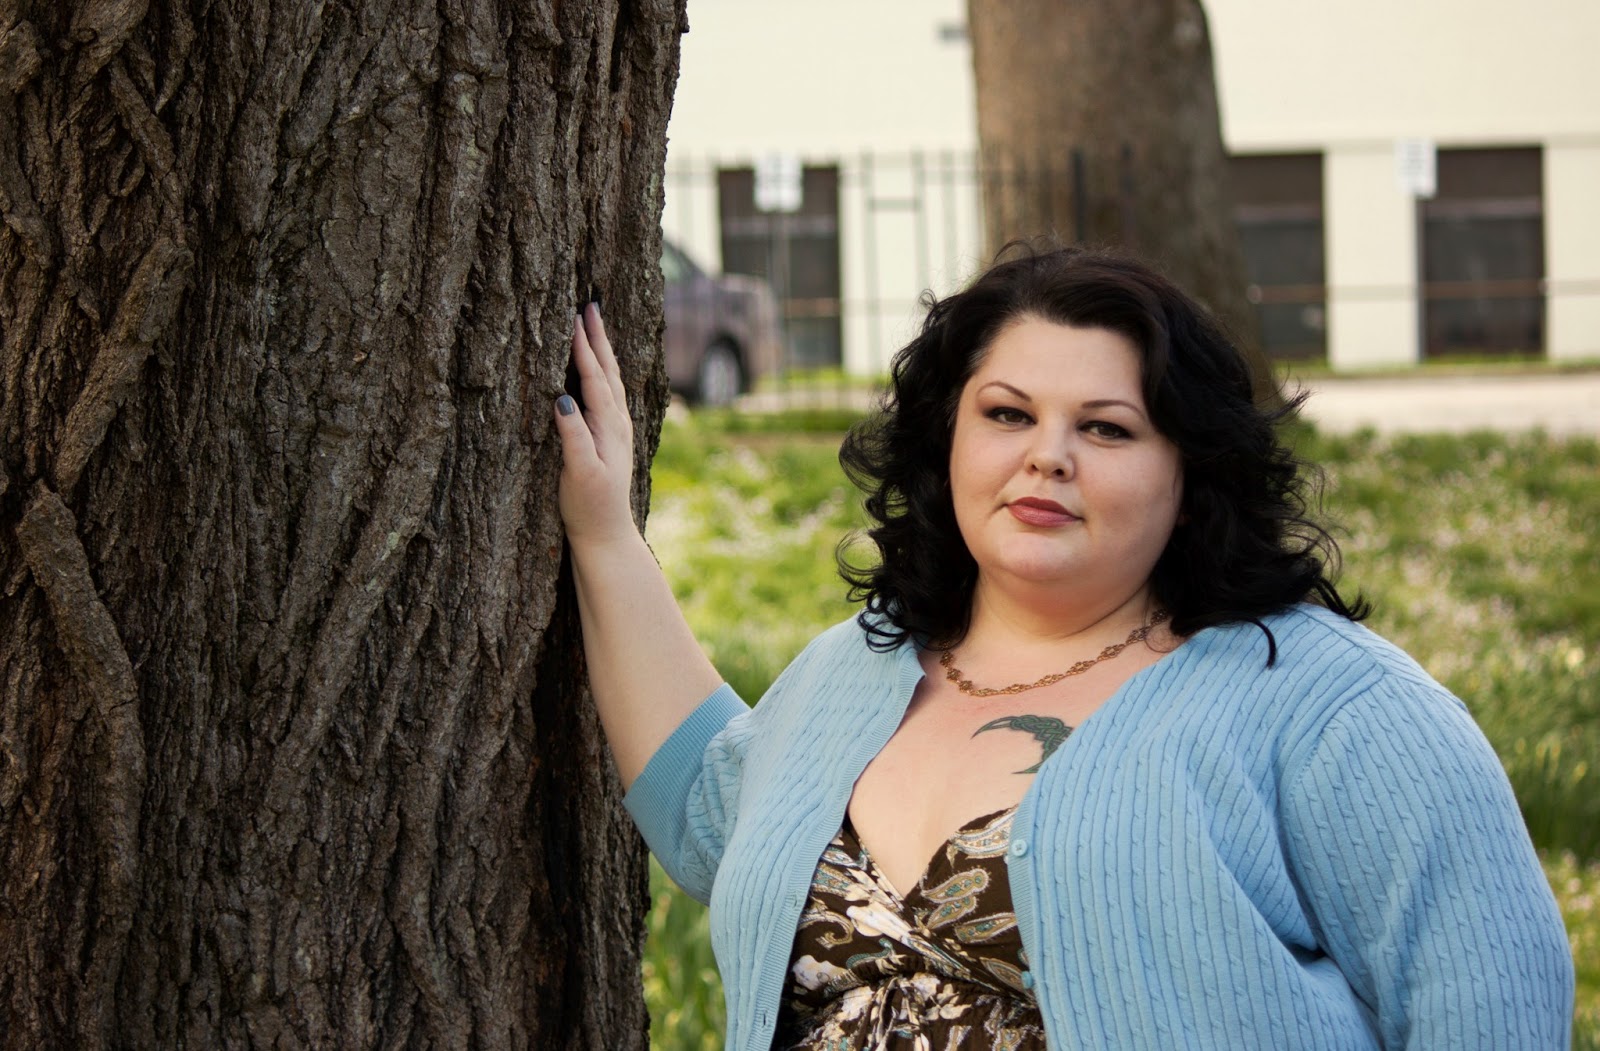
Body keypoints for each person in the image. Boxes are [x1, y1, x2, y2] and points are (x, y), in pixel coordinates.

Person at [552, 245, 1574, 1050]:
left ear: (1190, 475)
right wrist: (601, 534)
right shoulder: (855, 667)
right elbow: (707, 808)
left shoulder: (1331, 705)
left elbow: (1486, 1003)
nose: (1047, 455)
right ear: (949, 437)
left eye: (1107, 428)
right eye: (1008, 414)